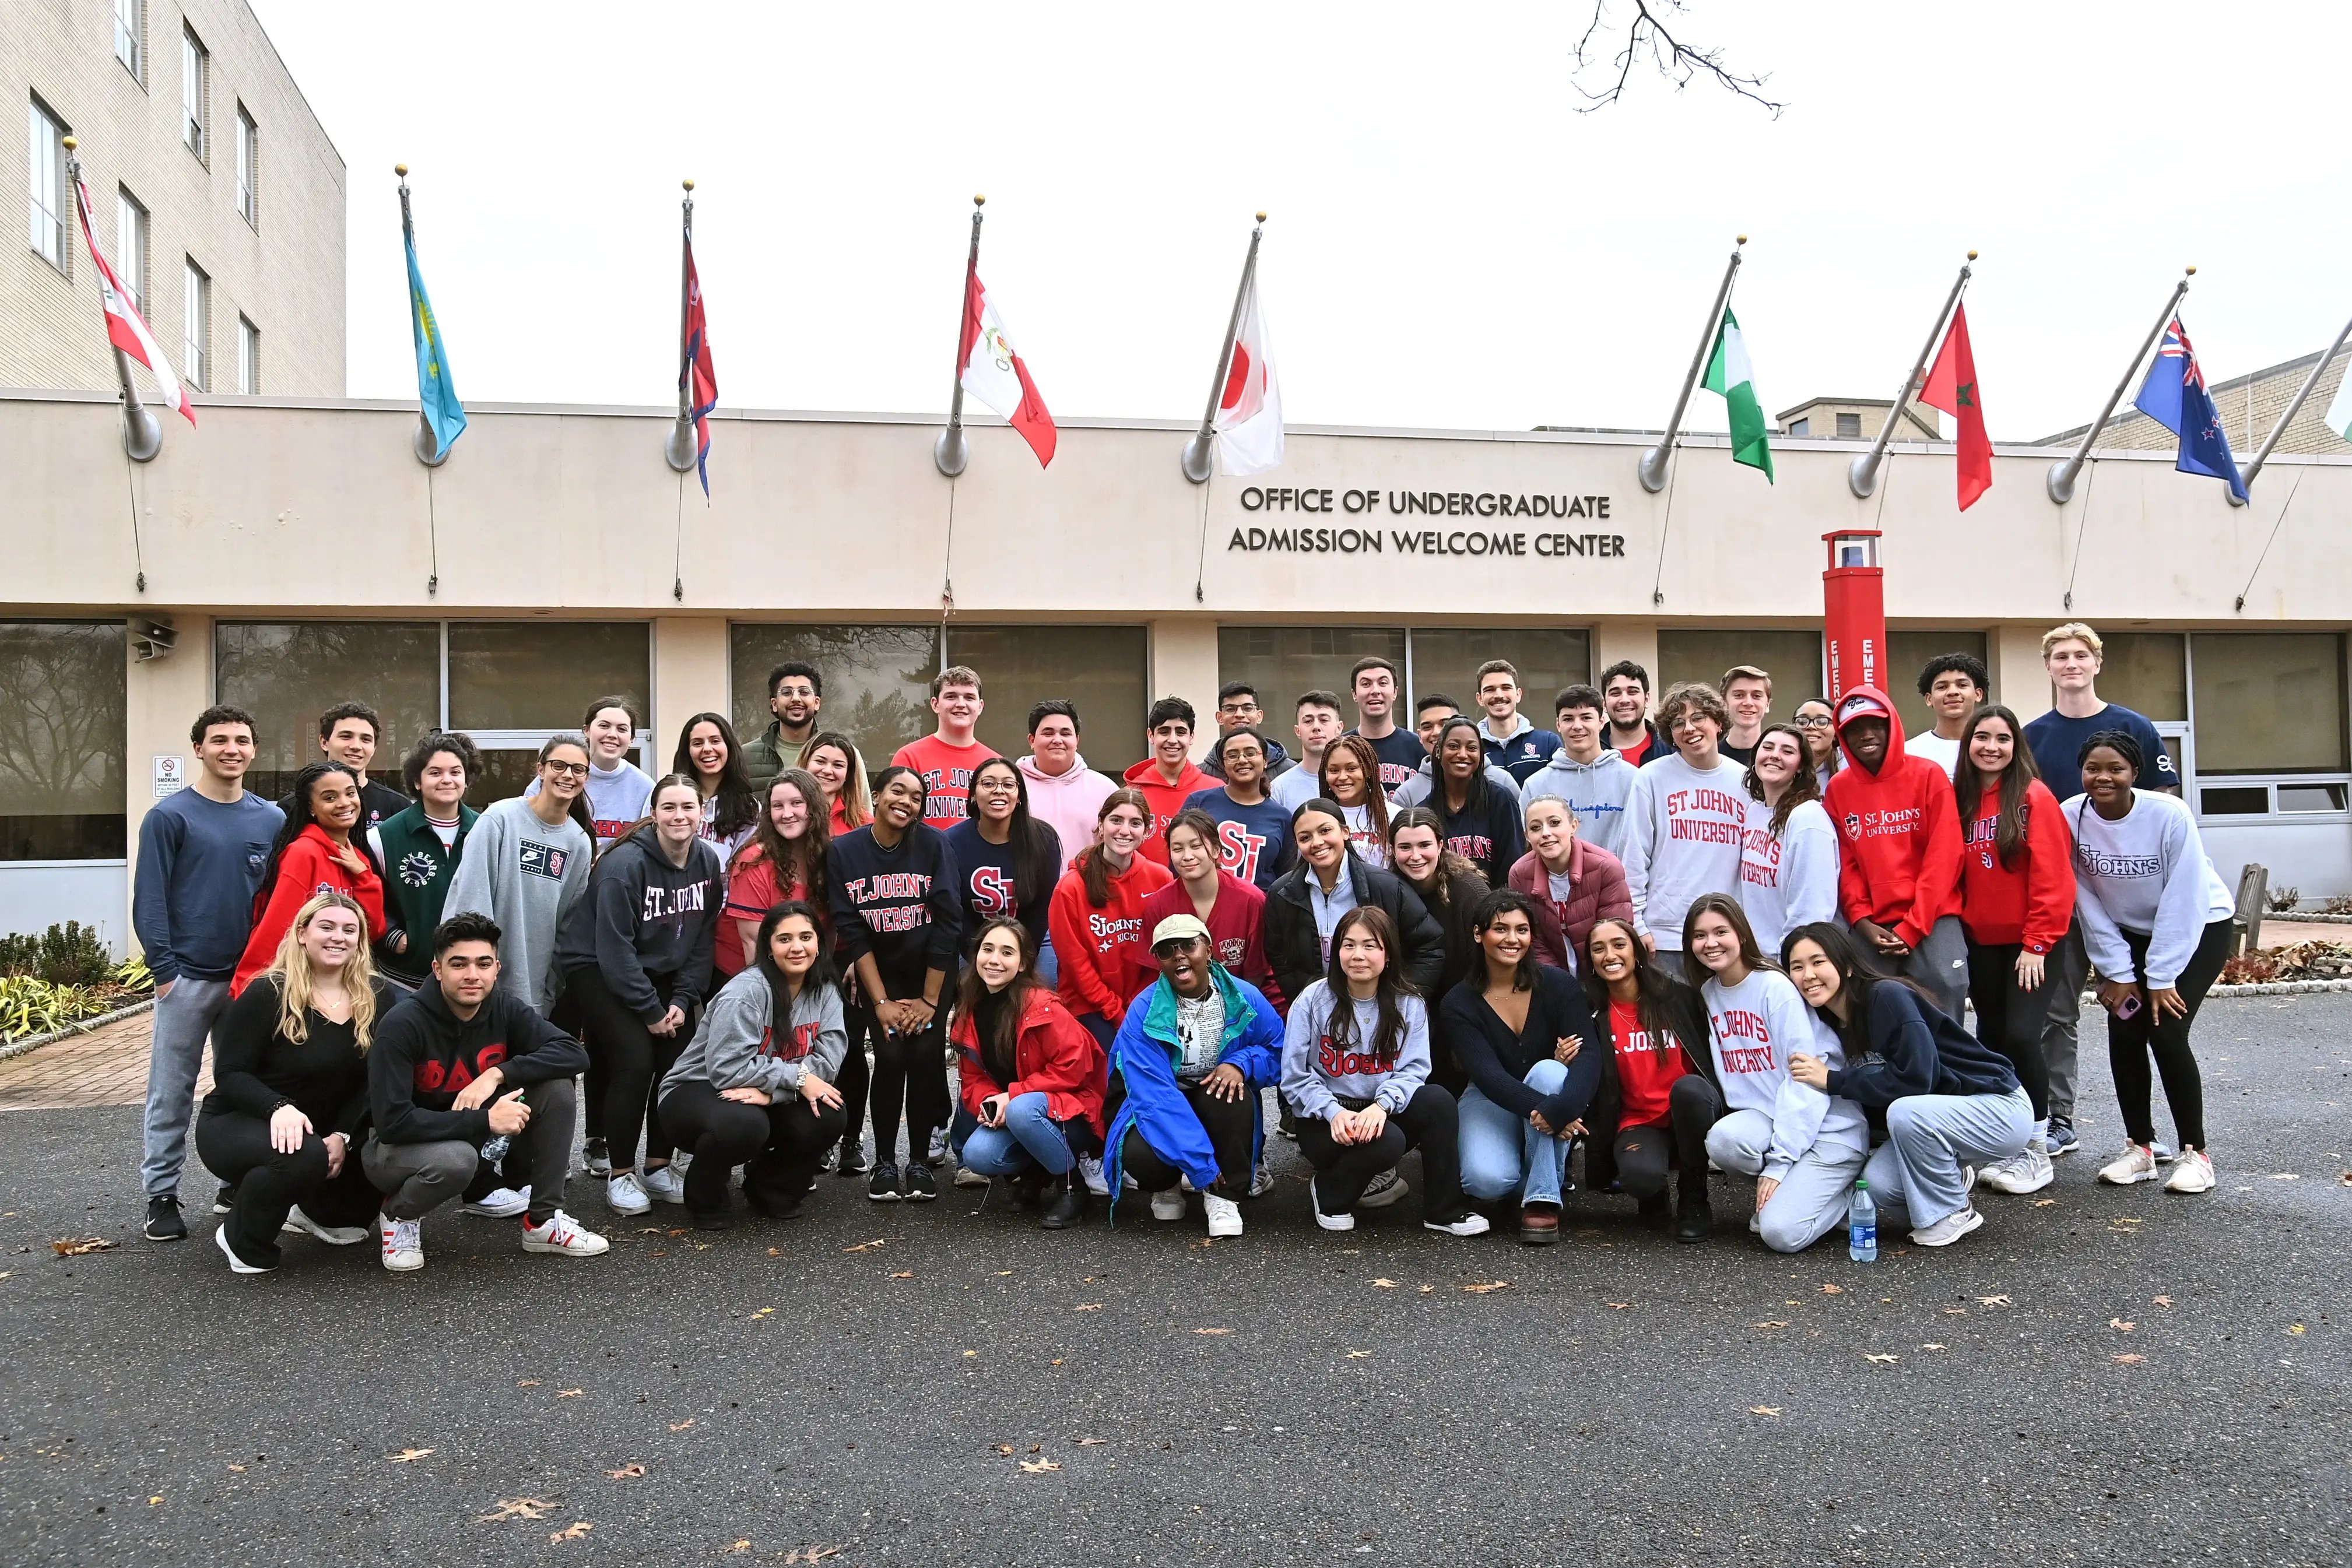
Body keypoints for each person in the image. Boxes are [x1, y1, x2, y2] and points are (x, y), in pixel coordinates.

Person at [364, 912, 606, 1270]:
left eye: (483, 963)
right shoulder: (403, 1024)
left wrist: (498, 1074)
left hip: (470, 1134)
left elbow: (573, 1053)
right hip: (396, 1149)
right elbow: (392, 1123)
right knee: (457, 1159)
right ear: (438, 969)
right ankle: (398, 1215)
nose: (472, 975)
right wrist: (486, 1120)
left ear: (497, 968)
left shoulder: (503, 1007)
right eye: (458, 964)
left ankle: (543, 1222)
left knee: (555, 1088)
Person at [2024, 621, 2179, 1158]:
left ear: (2097, 663)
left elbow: (2166, 807)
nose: (2071, 664)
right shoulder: (2033, 736)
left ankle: (2151, 1135)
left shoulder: (2133, 725)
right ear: (2049, 667)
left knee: (2147, 1017)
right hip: (2063, 902)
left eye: (2080, 655)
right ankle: (2059, 1119)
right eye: (2060, 656)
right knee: (2057, 1014)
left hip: (2131, 909)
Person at [1783, 923, 2031, 1248]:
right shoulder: (1828, 1023)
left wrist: (1832, 1080)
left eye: (1818, 962)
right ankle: (1951, 1177)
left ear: (1845, 965)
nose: (1809, 975)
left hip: (1998, 1107)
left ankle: (1953, 1212)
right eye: (1797, 967)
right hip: (1939, 1118)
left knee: (1905, 1110)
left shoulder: (1885, 996)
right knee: (1878, 1185)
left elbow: (1917, 1080)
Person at [136, 705, 285, 1242]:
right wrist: (165, 968)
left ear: (253, 750)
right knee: (171, 1088)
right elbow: (149, 897)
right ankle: (160, 1195)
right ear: (198, 748)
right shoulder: (170, 817)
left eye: (242, 740)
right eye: (219, 740)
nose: (232, 749)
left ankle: (235, 1181)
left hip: (249, 980)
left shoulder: (270, 819)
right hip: (188, 976)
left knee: (242, 1084)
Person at [2064, 730, 2230, 1194]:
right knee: (2124, 1028)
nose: (2103, 778)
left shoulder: (2169, 814)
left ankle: (2196, 1155)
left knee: (2167, 1029)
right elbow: (2086, 900)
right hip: (2129, 936)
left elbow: (2184, 898)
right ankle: (2141, 1148)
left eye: (2115, 769)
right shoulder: (2070, 817)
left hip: (2200, 928)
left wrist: (2160, 976)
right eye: (2093, 768)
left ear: (2135, 773)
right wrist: (2117, 973)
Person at [195, 892, 391, 1272]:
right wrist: (277, 1107)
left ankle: (312, 1211)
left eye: (350, 930)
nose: (339, 937)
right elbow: (231, 1073)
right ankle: (241, 1238)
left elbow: (376, 1081)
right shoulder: (268, 992)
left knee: (350, 1213)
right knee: (302, 1154)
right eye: (327, 927)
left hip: (322, 1129)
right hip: (241, 1121)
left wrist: (344, 1136)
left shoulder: (379, 996)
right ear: (302, 933)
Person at [556, 774, 722, 1215]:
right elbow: (614, 950)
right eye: (670, 807)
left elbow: (702, 940)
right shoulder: (624, 866)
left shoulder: (706, 862)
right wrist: (650, 1010)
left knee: (678, 1063)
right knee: (635, 1060)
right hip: (596, 967)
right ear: (655, 813)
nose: (679, 816)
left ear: (701, 814)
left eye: (689, 807)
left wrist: (683, 1001)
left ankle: (658, 1166)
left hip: (661, 969)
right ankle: (621, 1173)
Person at [1282, 906, 1487, 1236]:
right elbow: (1294, 1076)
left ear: (1388, 954)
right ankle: (1330, 1192)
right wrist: (1333, 1112)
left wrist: (1382, 1106)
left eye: (1370, 946)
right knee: (1387, 1142)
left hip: (1380, 1109)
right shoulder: (1312, 1000)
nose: (1358, 955)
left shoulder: (1409, 1003)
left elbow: (1415, 1069)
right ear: (1336, 952)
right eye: (1348, 945)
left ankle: (1444, 1209)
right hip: (1325, 1119)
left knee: (1438, 1101)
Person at [1684, 895, 1869, 1253]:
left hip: (1828, 1128)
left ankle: (1849, 1193)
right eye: (1699, 935)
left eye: (1721, 931)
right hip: (1771, 1119)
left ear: (1741, 933)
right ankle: (1800, 1192)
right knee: (1723, 1141)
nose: (1710, 943)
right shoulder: (1708, 993)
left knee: (1779, 1234)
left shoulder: (1775, 987)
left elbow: (1807, 1080)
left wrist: (1779, 1165)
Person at [656, 900, 848, 1227]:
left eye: (805, 937)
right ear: (769, 948)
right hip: (697, 1089)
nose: (797, 947)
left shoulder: (826, 991)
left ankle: (771, 1190)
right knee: (744, 1123)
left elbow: (827, 1064)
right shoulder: (746, 992)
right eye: (784, 939)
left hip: (764, 1089)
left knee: (830, 1112)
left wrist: (775, 1094)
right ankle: (706, 1198)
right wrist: (798, 1080)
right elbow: (727, 1068)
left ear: (819, 942)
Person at [1105, 914, 1286, 1237]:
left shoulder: (1245, 997)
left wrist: (1243, 1063)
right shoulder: (1143, 1011)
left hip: (1213, 1096)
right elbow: (1154, 1098)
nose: (1179, 955)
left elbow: (1281, 1050)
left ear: (1209, 950)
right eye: (1166, 951)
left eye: (1189, 945)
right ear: (1159, 962)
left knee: (1233, 1093)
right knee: (1139, 1155)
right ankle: (1168, 1185)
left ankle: (1223, 1196)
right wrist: (1201, 1164)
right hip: (1164, 1098)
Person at [829, 766, 963, 1201]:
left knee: (925, 1055)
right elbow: (853, 930)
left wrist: (928, 999)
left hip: (931, 973)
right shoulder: (844, 851)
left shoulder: (934, 844)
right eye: (898, 791)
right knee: (887, 1056)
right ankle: (884, 1162)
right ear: (879, 796)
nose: (907, 801)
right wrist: (880, 1000)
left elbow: (948, 925)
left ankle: (920, 1161)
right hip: (879, 974)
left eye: (917, 796)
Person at [1954, 705, 2072, 1196]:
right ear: (1969, 745)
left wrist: (2037, 943)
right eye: (1982, 737)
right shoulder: (1958, 800)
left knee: (2024, 1037)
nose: (1992, 747)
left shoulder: (2032, 797)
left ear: (2016, 745)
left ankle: (2038, 1148)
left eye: (2003, 739)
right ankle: (2007, 1138)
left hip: (2032, 946)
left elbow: (2053, 877)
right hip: (1982, 944)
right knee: (1993, 1040)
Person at [1444, 890, 1600, 1244]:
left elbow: (1589, 1054)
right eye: (1500, 929)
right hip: (1490, 1095)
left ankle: (1543, 1199)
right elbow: (1488, 1074)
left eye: (1522, 930)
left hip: (1547, 1090)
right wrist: (1549, 1111)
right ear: (1478, 934)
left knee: (1551, 1071)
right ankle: (1539, 1170)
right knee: (1487, 1182)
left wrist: (1564, 1107)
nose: (1512, 939)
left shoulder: (1558, 985)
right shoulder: (1459, 1001)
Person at [1823, 686, 1969, 1019]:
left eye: (1876, 724)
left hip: (1933, 918)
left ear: (1892, 726)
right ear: (1843, 738)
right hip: (1873, 924)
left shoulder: (1928, 775)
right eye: (1855, 729)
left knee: (1944, 1002)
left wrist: (1914, 926)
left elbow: (1944, 857)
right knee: (1870, 1010)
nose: (1867, 735)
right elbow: (1845, 864)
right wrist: (1860, 920)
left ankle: (1948, 1074)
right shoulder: (1839, 789)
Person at [950, 917, 1104, 1228]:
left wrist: (1013, 1096)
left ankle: (1074, 1189)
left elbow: (1075, 1067)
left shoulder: (1043, 1006)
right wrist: (990, 1103)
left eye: (1007, 953)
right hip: (1020, 1111)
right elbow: (973, 1078)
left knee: (1022, 1109)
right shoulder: (970, 1008)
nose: (994, 960)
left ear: (1022, 965)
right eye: (988, 949)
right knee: (978, 1155)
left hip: (1072, 1112)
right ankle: (1038, 1172)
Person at [1581, 916, 1717, 1239]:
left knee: (1689, 1091)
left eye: (1618, 945)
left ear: (1637, 951)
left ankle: (1694, 1197)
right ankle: (1655, 1193)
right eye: (1598, 949)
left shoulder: (1678, 998)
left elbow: (1707, 1060)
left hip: (1689, 1112)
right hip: (1639, 1121)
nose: (1609, 955)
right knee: (1640, 1179)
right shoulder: (1591, 1010)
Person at [443, 733, 595, 1014]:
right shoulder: (499, 819)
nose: (568, 776)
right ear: (541, 769)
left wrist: (550, 990)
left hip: (531, 994)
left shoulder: (578, 843)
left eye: (578, 769)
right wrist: (473, 969)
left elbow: (568, 926)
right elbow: (470, 898)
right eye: (559, 766)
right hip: (477, 986)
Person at [1267, 800, 1445, 1011]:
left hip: (1383, 1013)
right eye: (1305, 837)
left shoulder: (1385, 886)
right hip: (1318, 1014)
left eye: (1325, 830)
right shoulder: (1282, 894)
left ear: (1345, 832)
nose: (1317, 842)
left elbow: (1429, 946)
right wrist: (1309, 1002)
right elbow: (1279, 957)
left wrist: (1398, 1000)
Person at [231, 762, 387, 996]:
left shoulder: (358, 859)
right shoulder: (303, 853)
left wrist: (364, 877)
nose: (344, 803)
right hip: (300, 986)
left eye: (350, 793)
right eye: (330, 797)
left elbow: (373, 931)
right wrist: (249, 985)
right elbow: (278, 927)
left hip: (344, 986)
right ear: (311, 807)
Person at [1619, 682, 1748, 960]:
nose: (1689, 728)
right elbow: (1634, 856)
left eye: (1698, 718)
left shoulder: (1746, 781)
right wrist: (1637, 924)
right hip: (1666, 935)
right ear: (1671, 736)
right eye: (1678, 723)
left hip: (1729, 933)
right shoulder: (1651, 778)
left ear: (1718, 723)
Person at [1047, 789, 1172, 1050]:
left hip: (1144, 1001)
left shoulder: (1161, 879)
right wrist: (1116, 1012)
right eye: (1116, 820)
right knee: (1115, 1066)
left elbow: (1162, 954)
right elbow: (1076, 967)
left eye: (1135, 823)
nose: (1125, 830)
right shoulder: (1070, 887)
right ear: (1101, 826)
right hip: (1089, 1005)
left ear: (1146, 832)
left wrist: (1138, 1007)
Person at [1388, 807, 1496, 1090]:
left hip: (1466, 999)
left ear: (1440, 845)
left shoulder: (1470, 890)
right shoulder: (1387, 889)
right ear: (1393, 850)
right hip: (1413, 1000)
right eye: (1405, 847)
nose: (1415, 856)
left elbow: (1491, 961)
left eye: (1424, 845)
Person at [369, 730, 481, 992]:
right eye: (435, 773)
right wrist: (392, 936)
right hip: (403, 980)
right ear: (417, 781)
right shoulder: (383, 837)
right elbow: (369, 897)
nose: (447, 780)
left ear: (466, 780)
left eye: (455, 772)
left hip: (470, 980)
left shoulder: (486, 831)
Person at [1014, 700, 1118, 956]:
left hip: (1088, 906)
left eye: (1065, 733)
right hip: (1023, 909)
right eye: (1048, 733)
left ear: (1077, 740)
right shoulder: (1011, 785)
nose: (1057, 740)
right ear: (1031, 739)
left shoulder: (1104, 789)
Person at [1139, 808, 1275, 999]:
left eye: (1196, 846)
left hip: (1247, 1000)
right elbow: (1156, 973)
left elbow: (1257, 973)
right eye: (1178, 849)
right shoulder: (1158, 905)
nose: (1187, 856)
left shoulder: (1251, 900)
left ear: (1216, 849)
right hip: (1180, 1004)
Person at [1735, 723, 1839, 956]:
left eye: (1788, 751)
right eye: (1768, 747)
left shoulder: (1808, 818)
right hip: (1756, 959)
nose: (1775, 755)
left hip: (1790, 960)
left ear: (1800, 767)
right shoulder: (1754, 812)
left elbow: (1812, 908)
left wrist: (1790, 959)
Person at [717, 769, 830, 981]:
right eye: (778, 806)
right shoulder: (753, 861)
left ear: (814, 809)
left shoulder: (828, 857)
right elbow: (753, 944)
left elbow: (829, 934)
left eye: (797, 803)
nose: (787, 814)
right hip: (747, 976)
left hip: (803, 970)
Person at [948, 755, 1062, 955]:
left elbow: (1042, 910)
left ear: (1019, 797)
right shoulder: (950, 842)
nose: (999, 790)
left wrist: (1019, 958)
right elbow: (955, 912)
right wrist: (980, 959)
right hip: (969, 943)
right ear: (973, 794)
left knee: (1044, 983)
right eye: (988, 784)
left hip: (1033, 939)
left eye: (1008, 785)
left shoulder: (1045, 839)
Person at [1509, 793, 1631, 972]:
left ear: (1573, 826)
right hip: (1551, 977)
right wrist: (1559, 982)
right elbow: (1533, 938)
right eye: (1536, 828)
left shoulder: (1606, 866)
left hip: (1602, 970)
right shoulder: (1519, 874)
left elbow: (1615, 933)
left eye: (1555, 823)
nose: (1546, 833)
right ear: (1527, 836)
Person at [1517, 684, 1638, 859]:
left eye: (1586, 717)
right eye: (1568, 719)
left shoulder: (1632, 779)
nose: (1577, 726)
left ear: (1602, 722)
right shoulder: (1536, 785)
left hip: (1617, 883)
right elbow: (1529, 849)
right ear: (1558, 724)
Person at [525, 696, 652, 848]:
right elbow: (528, 829)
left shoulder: (646, 787)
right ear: (586, 731)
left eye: (622, 729)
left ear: (632, 738)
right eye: (604, 726)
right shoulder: (555, 778)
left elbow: (647, 845)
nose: (613, 734)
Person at [1184, 727, 1295, 892]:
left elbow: (1285, 877)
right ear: (1223, 764)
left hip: (1260, 911)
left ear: (1265, 761)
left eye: (1250, 753)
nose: (1242, 760)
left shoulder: (1283, 817)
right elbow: (1179, 858)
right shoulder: (1199, 802)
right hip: (1203, 907)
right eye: (1233, 755)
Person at [1422, 715, 1526, 888]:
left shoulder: (1501, 801)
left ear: (1481, 755)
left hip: (1497, 909)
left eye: (1471, 748)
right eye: (1453, 746)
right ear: (1439, 751)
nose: (1463, 754)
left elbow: (1514, 868)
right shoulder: (1426, 811)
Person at [276, 701, 408, 837]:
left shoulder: (398, 807)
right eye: (346, 737)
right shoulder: (291, 806)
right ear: (324, 742)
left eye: (366, 739)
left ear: (374, 748)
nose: (356, 746)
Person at [893, 665, 995, 831]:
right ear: (935, 704)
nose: (961, 704)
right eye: (951, 696)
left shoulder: (995, 764)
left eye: (969, 697)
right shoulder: (909, 757)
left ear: (980, 706)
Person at [1121, 696, 1207, 866]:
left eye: (1181, 732)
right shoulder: (1130, 794)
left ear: (1192, 737)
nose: (1173, 740)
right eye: (1164, 731)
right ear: (1151, 735)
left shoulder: (1215, 790)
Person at [672, 711, 761, 859]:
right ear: (687, 751)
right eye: (698, 743)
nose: (707, 749)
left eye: (715, 741)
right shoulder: (669, 798)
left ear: (728, 746)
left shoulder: (748, 807)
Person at [1472, 660, 1563, 784]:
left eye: (1506, 688)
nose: (1499, 695)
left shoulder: (1547, 744)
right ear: (1480, 699)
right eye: (1490, 690)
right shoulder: (1471, 748)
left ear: (1518, 695)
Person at [1346, 656, 1425, 791]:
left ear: (1395, 692)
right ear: (1354, 694)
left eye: (1383, 683)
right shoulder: (1341, 748)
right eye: (1366, 684)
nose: (1375, 691)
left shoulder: (1419, 748)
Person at [1906, 652, 1989, 778]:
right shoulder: (1909, 752)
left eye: (1962, 685)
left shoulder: (1995, 748)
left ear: (1978, 694)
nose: (1953, 692)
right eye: (1942, 687)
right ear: (1929, 699)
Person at [1315, 734, 1392, 868]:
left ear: (1368, 770)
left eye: (1351, 768)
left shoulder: (1392, 814)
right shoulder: (1316, 817)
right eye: (1334, 770)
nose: (1342, 777)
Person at [743, 662, 824, 787]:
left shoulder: (842, 754)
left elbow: (860, 805)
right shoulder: (744, 758)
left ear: (817, 703)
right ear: (774, 704)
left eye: (804, 692)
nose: (796, 699)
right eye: (787, 693)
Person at [1199, 682, 1297, 782]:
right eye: (1230, 709)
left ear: (1259, 716)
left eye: (1247, 708)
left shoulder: (1290, 771)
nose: (1240, 714)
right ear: (1220, 717)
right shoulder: (1203, 774)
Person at [1270, 690, 1347, 814]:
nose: (1316, 727)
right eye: (1308, 721)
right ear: (1298, 731)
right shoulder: (1279, 789)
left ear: (1339, 728)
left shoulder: (1357, 782)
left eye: (1324, 720)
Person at [800, 731, 872, 836]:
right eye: (820, 761)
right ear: (805, 763)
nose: (828, 771)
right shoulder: (785, 815)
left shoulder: (865, 824)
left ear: (848, 774)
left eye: (838, 765)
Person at [1599, 660, 1666, 768]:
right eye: (1615, 693)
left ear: (1647, 698)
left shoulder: (1671, 749)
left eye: (1633, 692)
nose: (1624, 700)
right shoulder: (1590, 755)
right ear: (1604, 704)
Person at [1792, 698, 1840, 792]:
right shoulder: (1780, 765)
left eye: (1822, 722)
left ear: (1836, 732)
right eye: (1802, 721)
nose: (1811, 726)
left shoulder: (1850, 769)